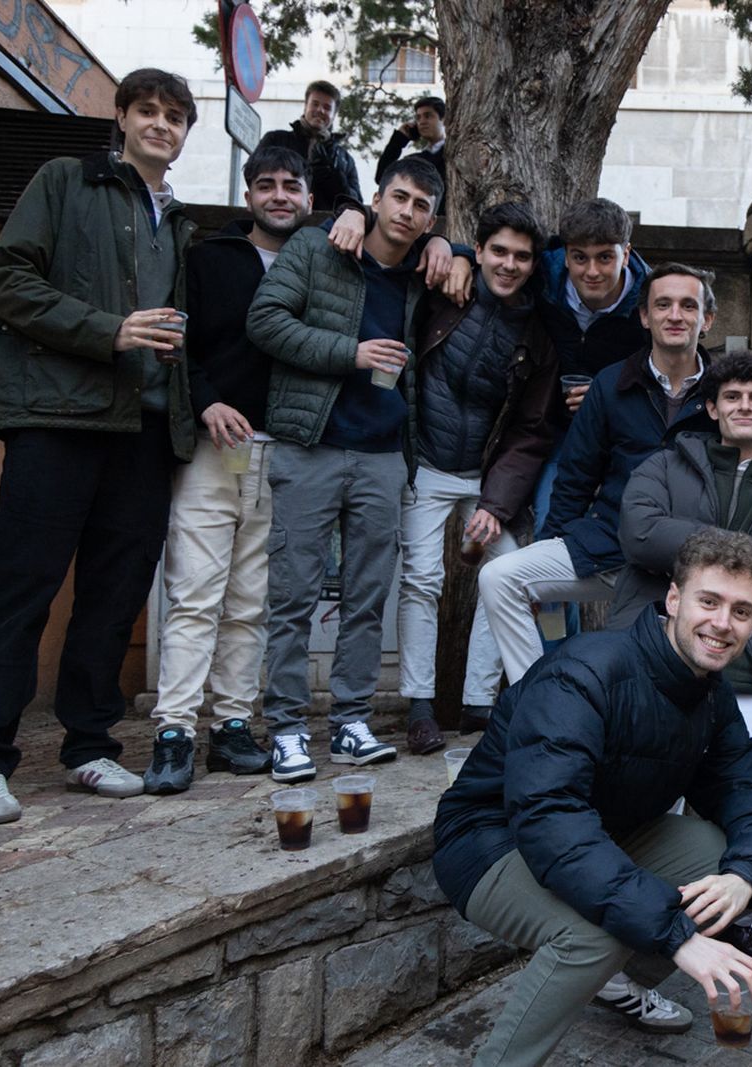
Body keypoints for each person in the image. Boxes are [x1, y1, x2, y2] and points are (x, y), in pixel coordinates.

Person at [434, 529, 752, 1064]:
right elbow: (549, 817)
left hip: (600, 834)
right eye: (709, 601)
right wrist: (677, 936)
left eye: (742, 611)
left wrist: (744, 878)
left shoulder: (709, 694)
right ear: (674, 600)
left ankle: (618, 982)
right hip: (493, 839)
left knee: (717, 855)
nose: (723, 623)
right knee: (593, 936)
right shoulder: (585, 672)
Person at [0, 69, 202, 824]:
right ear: (120, 117)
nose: (161, 124)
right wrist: (109, 329)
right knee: (21, 587)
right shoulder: (66, 180)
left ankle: (89, 745)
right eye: (147, 111)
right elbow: (9, 279)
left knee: (113, 598)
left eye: (175, 116)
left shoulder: (180, 222)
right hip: (57, 419)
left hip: (145, 431)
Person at [612, 351, 752, 972]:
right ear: (712, 407)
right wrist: (738, 558)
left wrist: (703, 557)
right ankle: (647, 922)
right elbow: (640, 533)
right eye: (733, 398)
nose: (745, 407)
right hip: (657, 654)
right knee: (653, 801)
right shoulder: (667, 462)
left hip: (742, 664)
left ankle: (734, 916)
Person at [244, 155, 445, 782]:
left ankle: (352, 721)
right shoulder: (318, 247)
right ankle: (286, 728)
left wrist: (451, 246)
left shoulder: (421, 273)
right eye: (400, 199)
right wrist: (349, 353)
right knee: (294, 592)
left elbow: (463, 251)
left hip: (385, 456)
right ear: (377, 199)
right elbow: (265, 322)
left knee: (367, 597)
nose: (407, 213)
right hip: (312, 444)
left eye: (422, 207)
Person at [143, 145, 313, 794]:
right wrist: (208, 398)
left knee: (250, 602)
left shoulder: (320, 260)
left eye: (290, 185)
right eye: (265, 185)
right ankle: (175, 731)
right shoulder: (210, 260)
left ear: (306, 196)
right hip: (217, 449)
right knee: (195, 594)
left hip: (286, 454)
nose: (278, 195)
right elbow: (180, 344)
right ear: (248, 196)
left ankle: (233, 725)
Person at [478, 262, 717, 687]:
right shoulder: (612, 384)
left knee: (647, 676)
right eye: (662, 304)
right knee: (500, 576)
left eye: (688, 305)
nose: (675, 315)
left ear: (707, 319)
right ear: (644, 316)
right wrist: (553, 548)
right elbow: (575, 476)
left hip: (691, 557)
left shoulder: (726, 391)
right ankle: (533, 698)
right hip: (610, 543)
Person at [397, 201, 558, 756]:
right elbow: (396, 249)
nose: (509, 265)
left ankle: (480, 704)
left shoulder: (538, 335)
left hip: (484, 477)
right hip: (424, 463)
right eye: (498, 252)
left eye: (522, 256)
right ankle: (419, 705)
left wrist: (497, 501)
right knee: (421, 579)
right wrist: (451, 248)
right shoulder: (446, 290)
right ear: (481, 251)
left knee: (510, 573)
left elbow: (532, 429)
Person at [256, 79, 361, 212]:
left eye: (327, 108)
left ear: (334, 115)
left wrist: (333, 177)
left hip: (324, 227)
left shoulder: (345, 159)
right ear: (305, 106)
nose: (320, 110)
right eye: (315, 104)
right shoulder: (275, 140)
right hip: (278, 218)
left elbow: (355, 203)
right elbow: (253, 174)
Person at [375, 95, 447, 214]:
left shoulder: (456, 156)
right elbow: (382, 177)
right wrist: (399, 140)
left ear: (444, 119)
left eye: (428, 116)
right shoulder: (415, 159)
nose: (422, 122)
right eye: (418, 118)